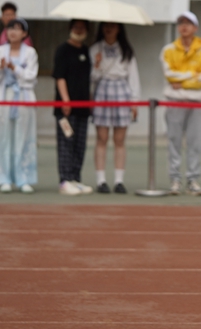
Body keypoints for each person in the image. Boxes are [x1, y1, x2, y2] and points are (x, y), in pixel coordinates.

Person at [160, 11, 201, 196]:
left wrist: (181, 82)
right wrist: (192, 76)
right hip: (174, 101)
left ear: (195, 27)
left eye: (188, 23)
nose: (184, 26)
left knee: (195, 141)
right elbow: (169, 74)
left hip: (196, 102)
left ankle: (192, 180)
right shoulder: (168, 50)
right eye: (181, 23)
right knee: (174, 141)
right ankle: (175, 180)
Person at [90, 22, 140, 194]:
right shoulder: (95, 49)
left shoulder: (126, 50)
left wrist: (134, 100)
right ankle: (101, 180)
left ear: (119, 29)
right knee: (101, 138)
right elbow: (92, 78)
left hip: (122, 91)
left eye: (113, 25)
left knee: (119, 139)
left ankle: (119, 180)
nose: (109, 28)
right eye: (106, 25)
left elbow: (133, 76)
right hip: (102, 90)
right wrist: (97, 65)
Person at [52, 19, 93, 196]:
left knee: (79, 144)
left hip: (83, 107)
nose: (79, 30)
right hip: (65, 108)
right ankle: (65, 180)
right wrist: (65, 100)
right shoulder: (62, 50)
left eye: (82, 28)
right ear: (70, 29)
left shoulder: (86, 51)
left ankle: (75, 178)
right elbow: (59, 76)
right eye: (76, 27)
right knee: (66, 143)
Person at [0, 18, 37, 193]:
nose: (13, 32)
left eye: (17, 29)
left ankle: (24, 178)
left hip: (23, 95)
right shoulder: (1, 50)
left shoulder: (30, 52)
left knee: (23, 137)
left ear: (24, 33)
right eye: (10, 28)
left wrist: (14, 68)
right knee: (4, 136)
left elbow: (31, 76)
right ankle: (4, 178)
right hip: (6, 95)